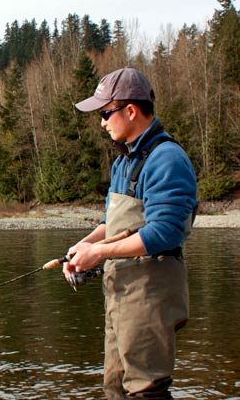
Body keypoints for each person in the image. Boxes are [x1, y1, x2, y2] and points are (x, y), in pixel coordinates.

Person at [64, 68, 198, 399]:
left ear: (131, 111)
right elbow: (114, 221)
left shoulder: (167, 159)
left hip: (150, 294)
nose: (102, 122)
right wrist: (84, 246)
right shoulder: (123, 162)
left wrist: (99, 254)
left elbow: (166, 231)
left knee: (145, 390)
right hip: (121, 293)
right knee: (114, 386)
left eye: (105, 113)